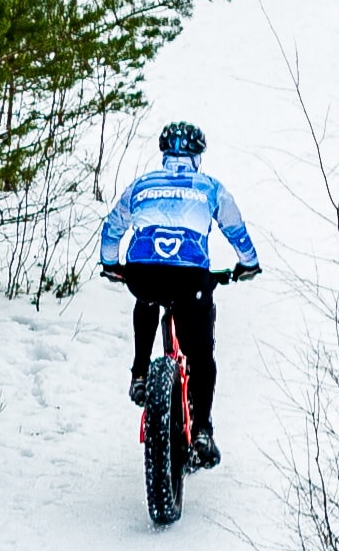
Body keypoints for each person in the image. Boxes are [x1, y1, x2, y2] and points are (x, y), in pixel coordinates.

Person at [94, 120, 259, 468]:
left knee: (146, 295)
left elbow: (112, 228)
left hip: (144, 274)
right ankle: (201, 430)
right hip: (190, 279)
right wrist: (248, 264)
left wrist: (111, 264)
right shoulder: (210, 187)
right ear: (198, 156)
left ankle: (140, 374)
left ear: (165, 154)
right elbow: (235, 228)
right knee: (201, 357)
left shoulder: (141, 184)